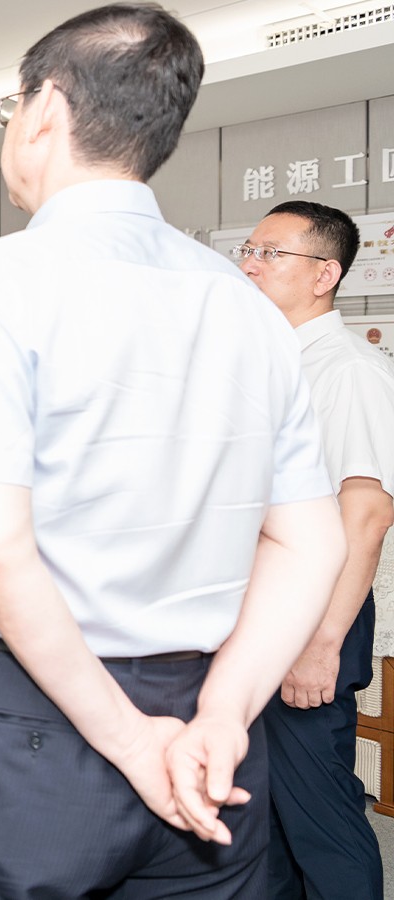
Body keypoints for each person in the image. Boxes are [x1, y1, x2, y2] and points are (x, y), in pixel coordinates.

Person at [0, 5, 348, 896]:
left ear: (44, 110)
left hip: (30, 721)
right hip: (208, 725)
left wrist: (132, 741)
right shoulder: (247, 307)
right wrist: (223, 713)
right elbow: (311, 542)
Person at [238, 200, 391, 898]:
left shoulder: (348, 369)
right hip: (255, 615)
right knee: (262, 816)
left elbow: (368, 515)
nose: (250, 265)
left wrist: (321, 644)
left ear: (325, 274)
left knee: (318, 814)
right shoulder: (269, 363)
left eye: (271, 253)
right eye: (248, 250)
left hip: (309, 621)